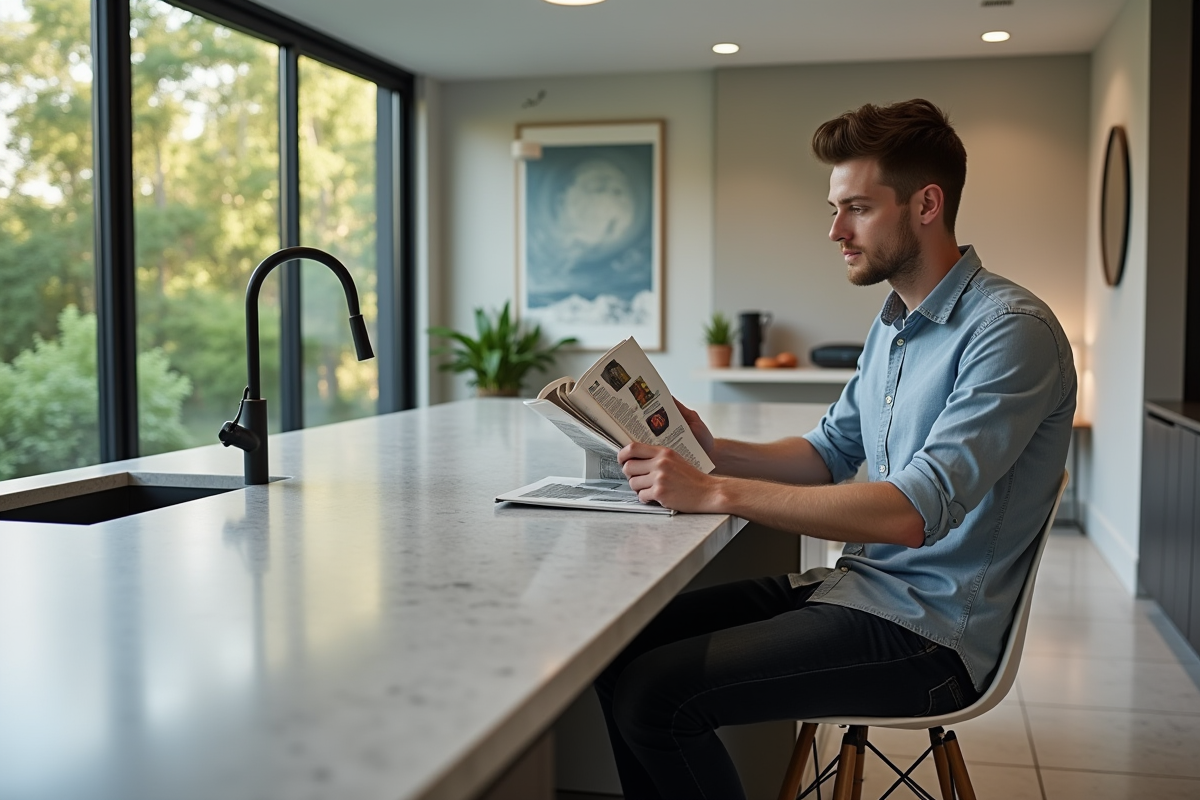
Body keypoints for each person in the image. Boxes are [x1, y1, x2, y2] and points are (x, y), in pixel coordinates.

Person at [595, 98, 1077, 800]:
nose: (835, 231)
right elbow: (829, 450)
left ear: (927, 204)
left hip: (931, 636)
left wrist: (716, 491)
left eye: (857, 208)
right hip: (857, 589)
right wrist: (711, 450)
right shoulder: (895, 324)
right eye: (834, 208)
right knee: (618, 650)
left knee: (654, 697)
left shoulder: (1010, 330)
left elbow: (912, 513)